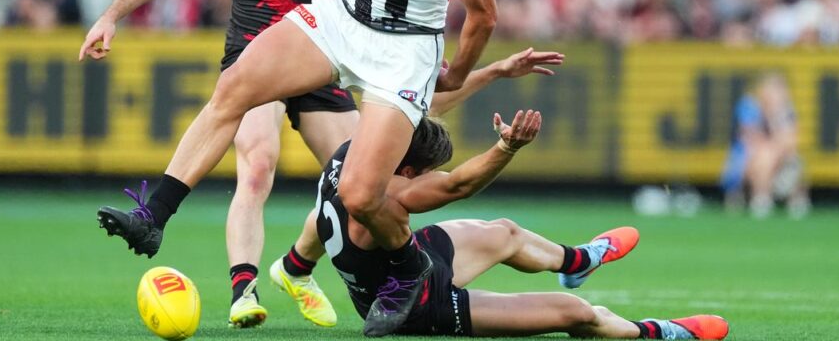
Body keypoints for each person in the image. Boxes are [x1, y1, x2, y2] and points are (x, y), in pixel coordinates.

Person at [87, 0, 511, 336]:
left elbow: (484, 14)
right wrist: (113, 15)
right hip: (341, 18)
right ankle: (154, 217)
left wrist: (456, 69)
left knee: (358, 194)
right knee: (235, 89)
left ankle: (409, 269)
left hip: (401, 49)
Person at [270, 110, 730, 340]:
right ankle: (660, 331)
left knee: (505, 232)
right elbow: (459, 187)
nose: (434, 178)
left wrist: (296, 263)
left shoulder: (348, 153)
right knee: (576, 314)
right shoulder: (389, 195)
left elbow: (316, 218)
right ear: (408, 170)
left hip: (395, 269)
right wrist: (507, 148)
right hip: (418, 306)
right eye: (429, 171)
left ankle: (576, 261)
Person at [721, 72, 811, 219]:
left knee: (793, 159)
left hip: (777, 160)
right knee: (764, 156)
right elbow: (750, 139)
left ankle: (795, 201)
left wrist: (775, 122)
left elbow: (792, 141)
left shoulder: (785, 111)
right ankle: (761, 199)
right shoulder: (750, 106)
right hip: (745, 161)